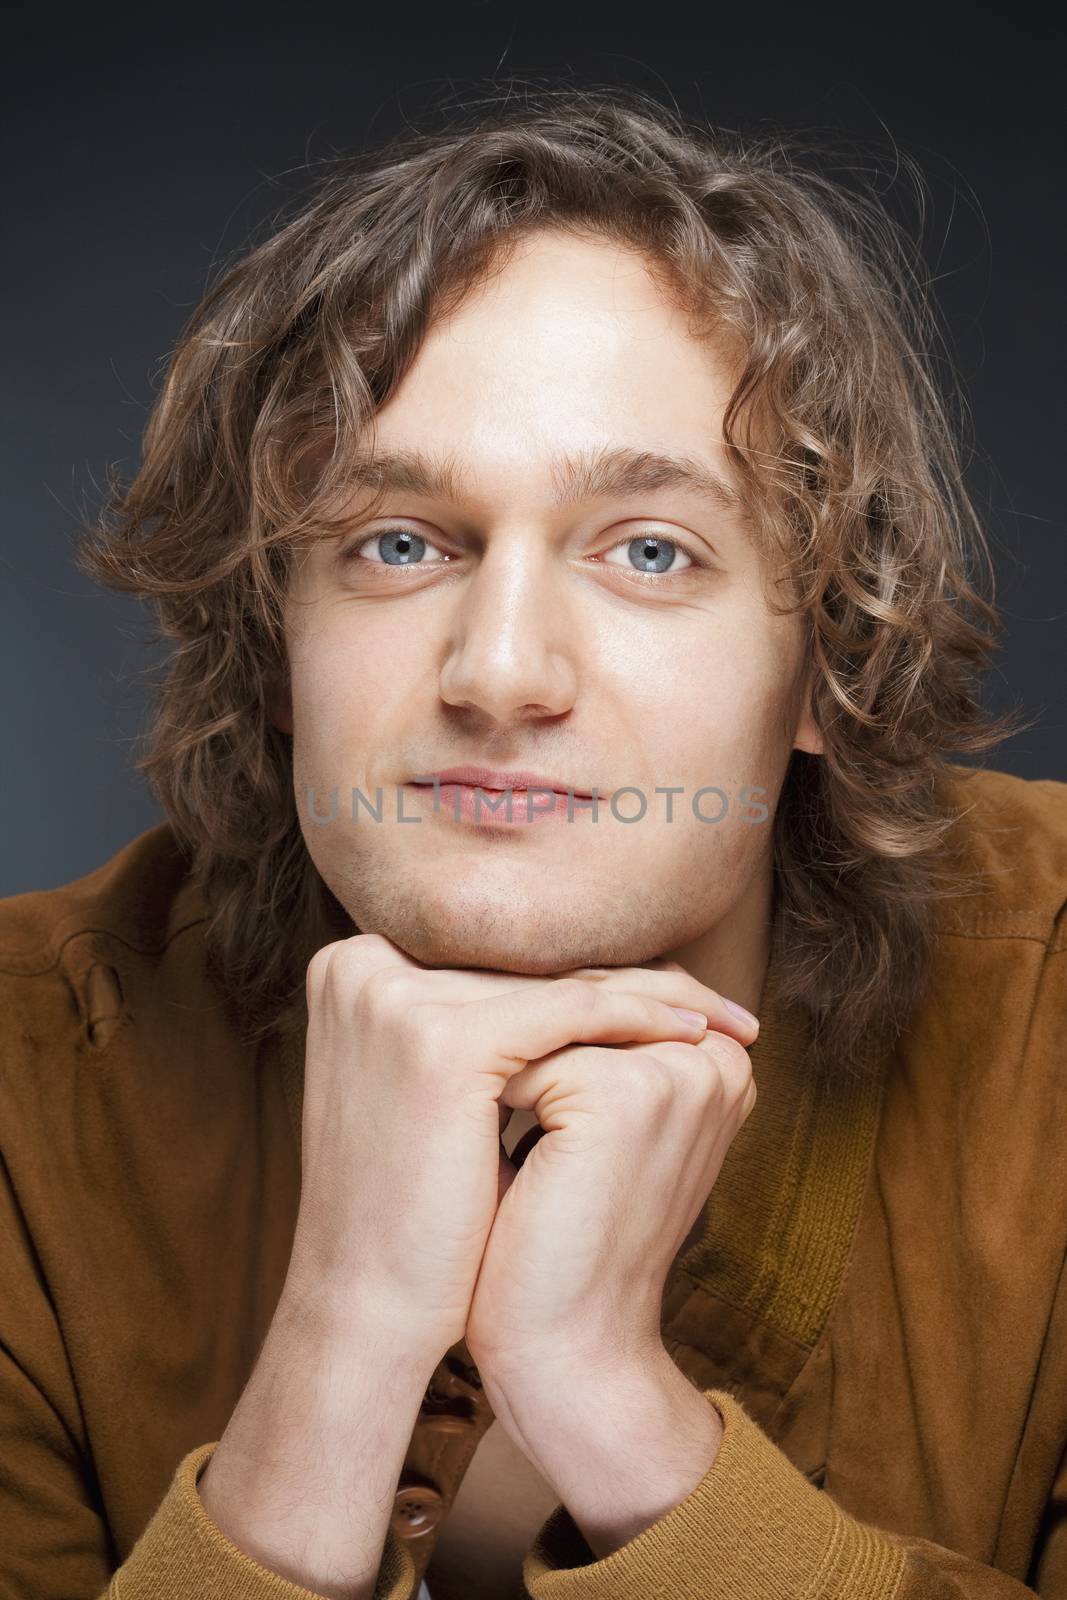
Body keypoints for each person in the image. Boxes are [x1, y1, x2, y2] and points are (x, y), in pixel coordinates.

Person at [1, 84, 1064, 1600]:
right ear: (275, 643)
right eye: (398, 544)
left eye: (649, 552)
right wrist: (346, 1332)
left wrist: (614, 1411)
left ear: (831, 656)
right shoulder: (27, 1073)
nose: (498, 675)